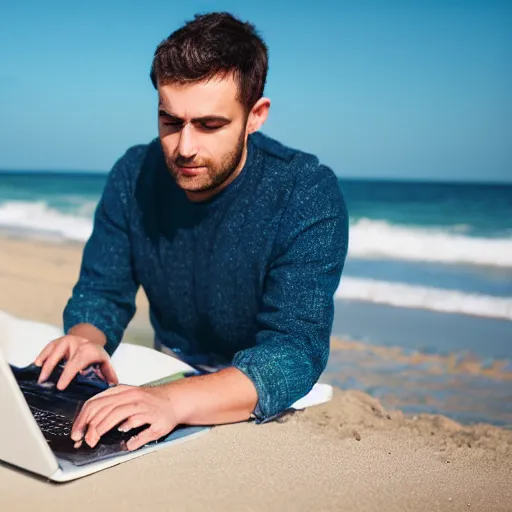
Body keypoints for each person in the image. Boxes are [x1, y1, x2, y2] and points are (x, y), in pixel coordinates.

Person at [34, 11, 349, 452]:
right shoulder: (133, 174)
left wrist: (171, 402)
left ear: (255, 115)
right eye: (170, 121)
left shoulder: (305, 191)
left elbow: (294, 352)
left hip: (247, 395)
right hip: (164, 368)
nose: (184, 147)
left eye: (209, 125)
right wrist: (85, 341)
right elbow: (102, 292)